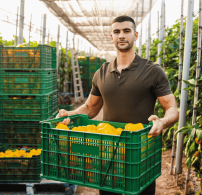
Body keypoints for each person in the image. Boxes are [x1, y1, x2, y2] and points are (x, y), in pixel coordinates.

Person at [56, 15, 179, 195]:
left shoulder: (152, 71)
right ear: (111, 37)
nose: (121, 35)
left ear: (135, 35)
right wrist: (71, 114)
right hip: (107, 159)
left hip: (140, 158)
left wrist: (163, 121)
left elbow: (172, 108)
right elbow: (90, 107)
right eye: (117, 31)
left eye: (126, 31)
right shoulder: (101, 73)